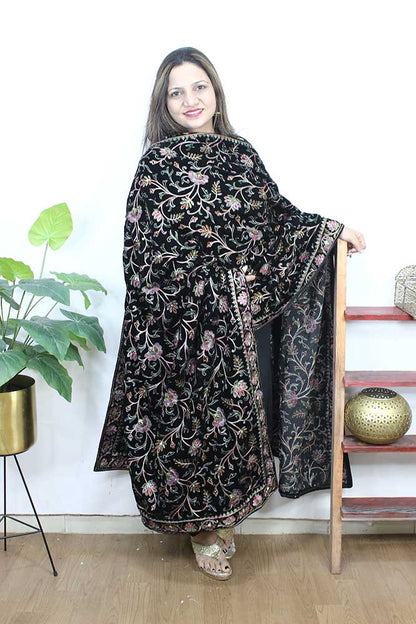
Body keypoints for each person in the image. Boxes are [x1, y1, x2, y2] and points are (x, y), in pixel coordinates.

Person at [94, 47, 366, 581]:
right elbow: (140, 251)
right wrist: (177, 304)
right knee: (186, 428)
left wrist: (330, 231)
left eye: (199, 87)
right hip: (173, 329)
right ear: (163, 104)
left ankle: (223, 521)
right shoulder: (154, 166)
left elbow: (276, 221)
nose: (189, 100)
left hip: (233, 324)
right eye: (176, 92)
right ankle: (201, 531)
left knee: (232, 427)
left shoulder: (241, 155)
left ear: (216, 93)